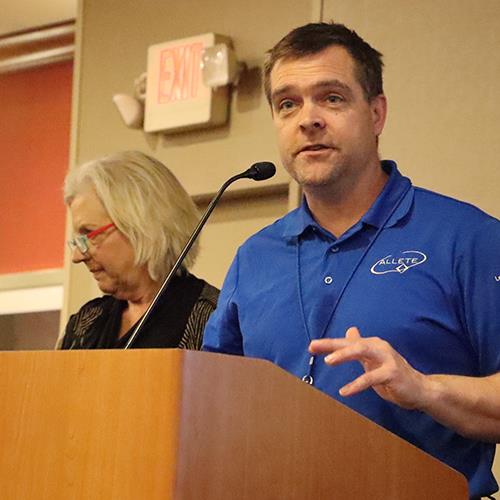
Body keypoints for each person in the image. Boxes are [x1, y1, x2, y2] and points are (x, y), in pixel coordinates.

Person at [202, 22, 500, 499]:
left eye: (332, 98)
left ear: (376, 113)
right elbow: (211, 401)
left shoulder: (468, 238)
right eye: (287, 104)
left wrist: (424, 390)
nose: (308, 119)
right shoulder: (254, 257)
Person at [59, 150, 218, 350]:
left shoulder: (213, 319)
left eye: (89, 234)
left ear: (143, 226)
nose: (77, 256)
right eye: (77, 240)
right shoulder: (86, 324)